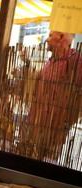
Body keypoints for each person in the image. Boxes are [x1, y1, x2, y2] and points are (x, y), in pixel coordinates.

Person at [23, 31, 82, 160]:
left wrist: (69, 120)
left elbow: (79, 92)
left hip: (56, 124)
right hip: (38, 120)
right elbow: (39, 82)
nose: (47, 40)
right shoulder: (51, 61)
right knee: (32, 158)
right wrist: (27, 63)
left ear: (62, 39)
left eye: (50, 36)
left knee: (48, 162)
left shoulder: (74, 60)